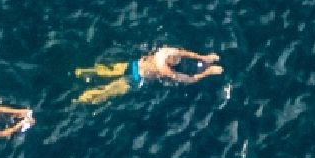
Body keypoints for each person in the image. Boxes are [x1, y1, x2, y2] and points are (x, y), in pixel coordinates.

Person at [73, 46, 223, 105]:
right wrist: (208, 72)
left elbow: (187, 53)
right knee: (107, 91)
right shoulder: (164, 69)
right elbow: (189, 79)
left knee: (108, 70)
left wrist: (205, 58)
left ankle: (84, 72)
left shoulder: (166, 51)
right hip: (135, 78)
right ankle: (81, 99)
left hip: (134, 64)